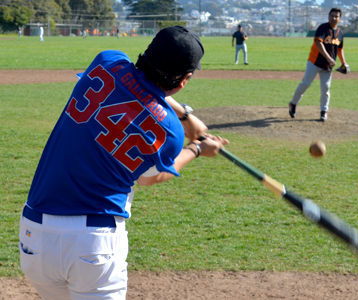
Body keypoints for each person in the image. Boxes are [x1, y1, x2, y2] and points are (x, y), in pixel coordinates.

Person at [19, 26, 229, 299]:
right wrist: (197, 148)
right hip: (93, 241)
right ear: (184, 80)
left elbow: (136, 84)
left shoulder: (107, 62)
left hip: (34, 234)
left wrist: (186, 115)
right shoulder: (169, 132)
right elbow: (149, 177)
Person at [288, 7, 347, 122]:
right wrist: (329, 58)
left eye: (336, 16)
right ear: (328, 16)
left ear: (340, 18)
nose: (334, 18)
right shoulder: (323, 28)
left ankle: (324, 111)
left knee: (326, 88)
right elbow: (318, 44)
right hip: (314, 61)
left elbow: (340, 49)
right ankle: (293, 104)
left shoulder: (340, 33)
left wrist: (343, 63)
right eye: (332, 15)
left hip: (328, 65)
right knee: (305, 84)